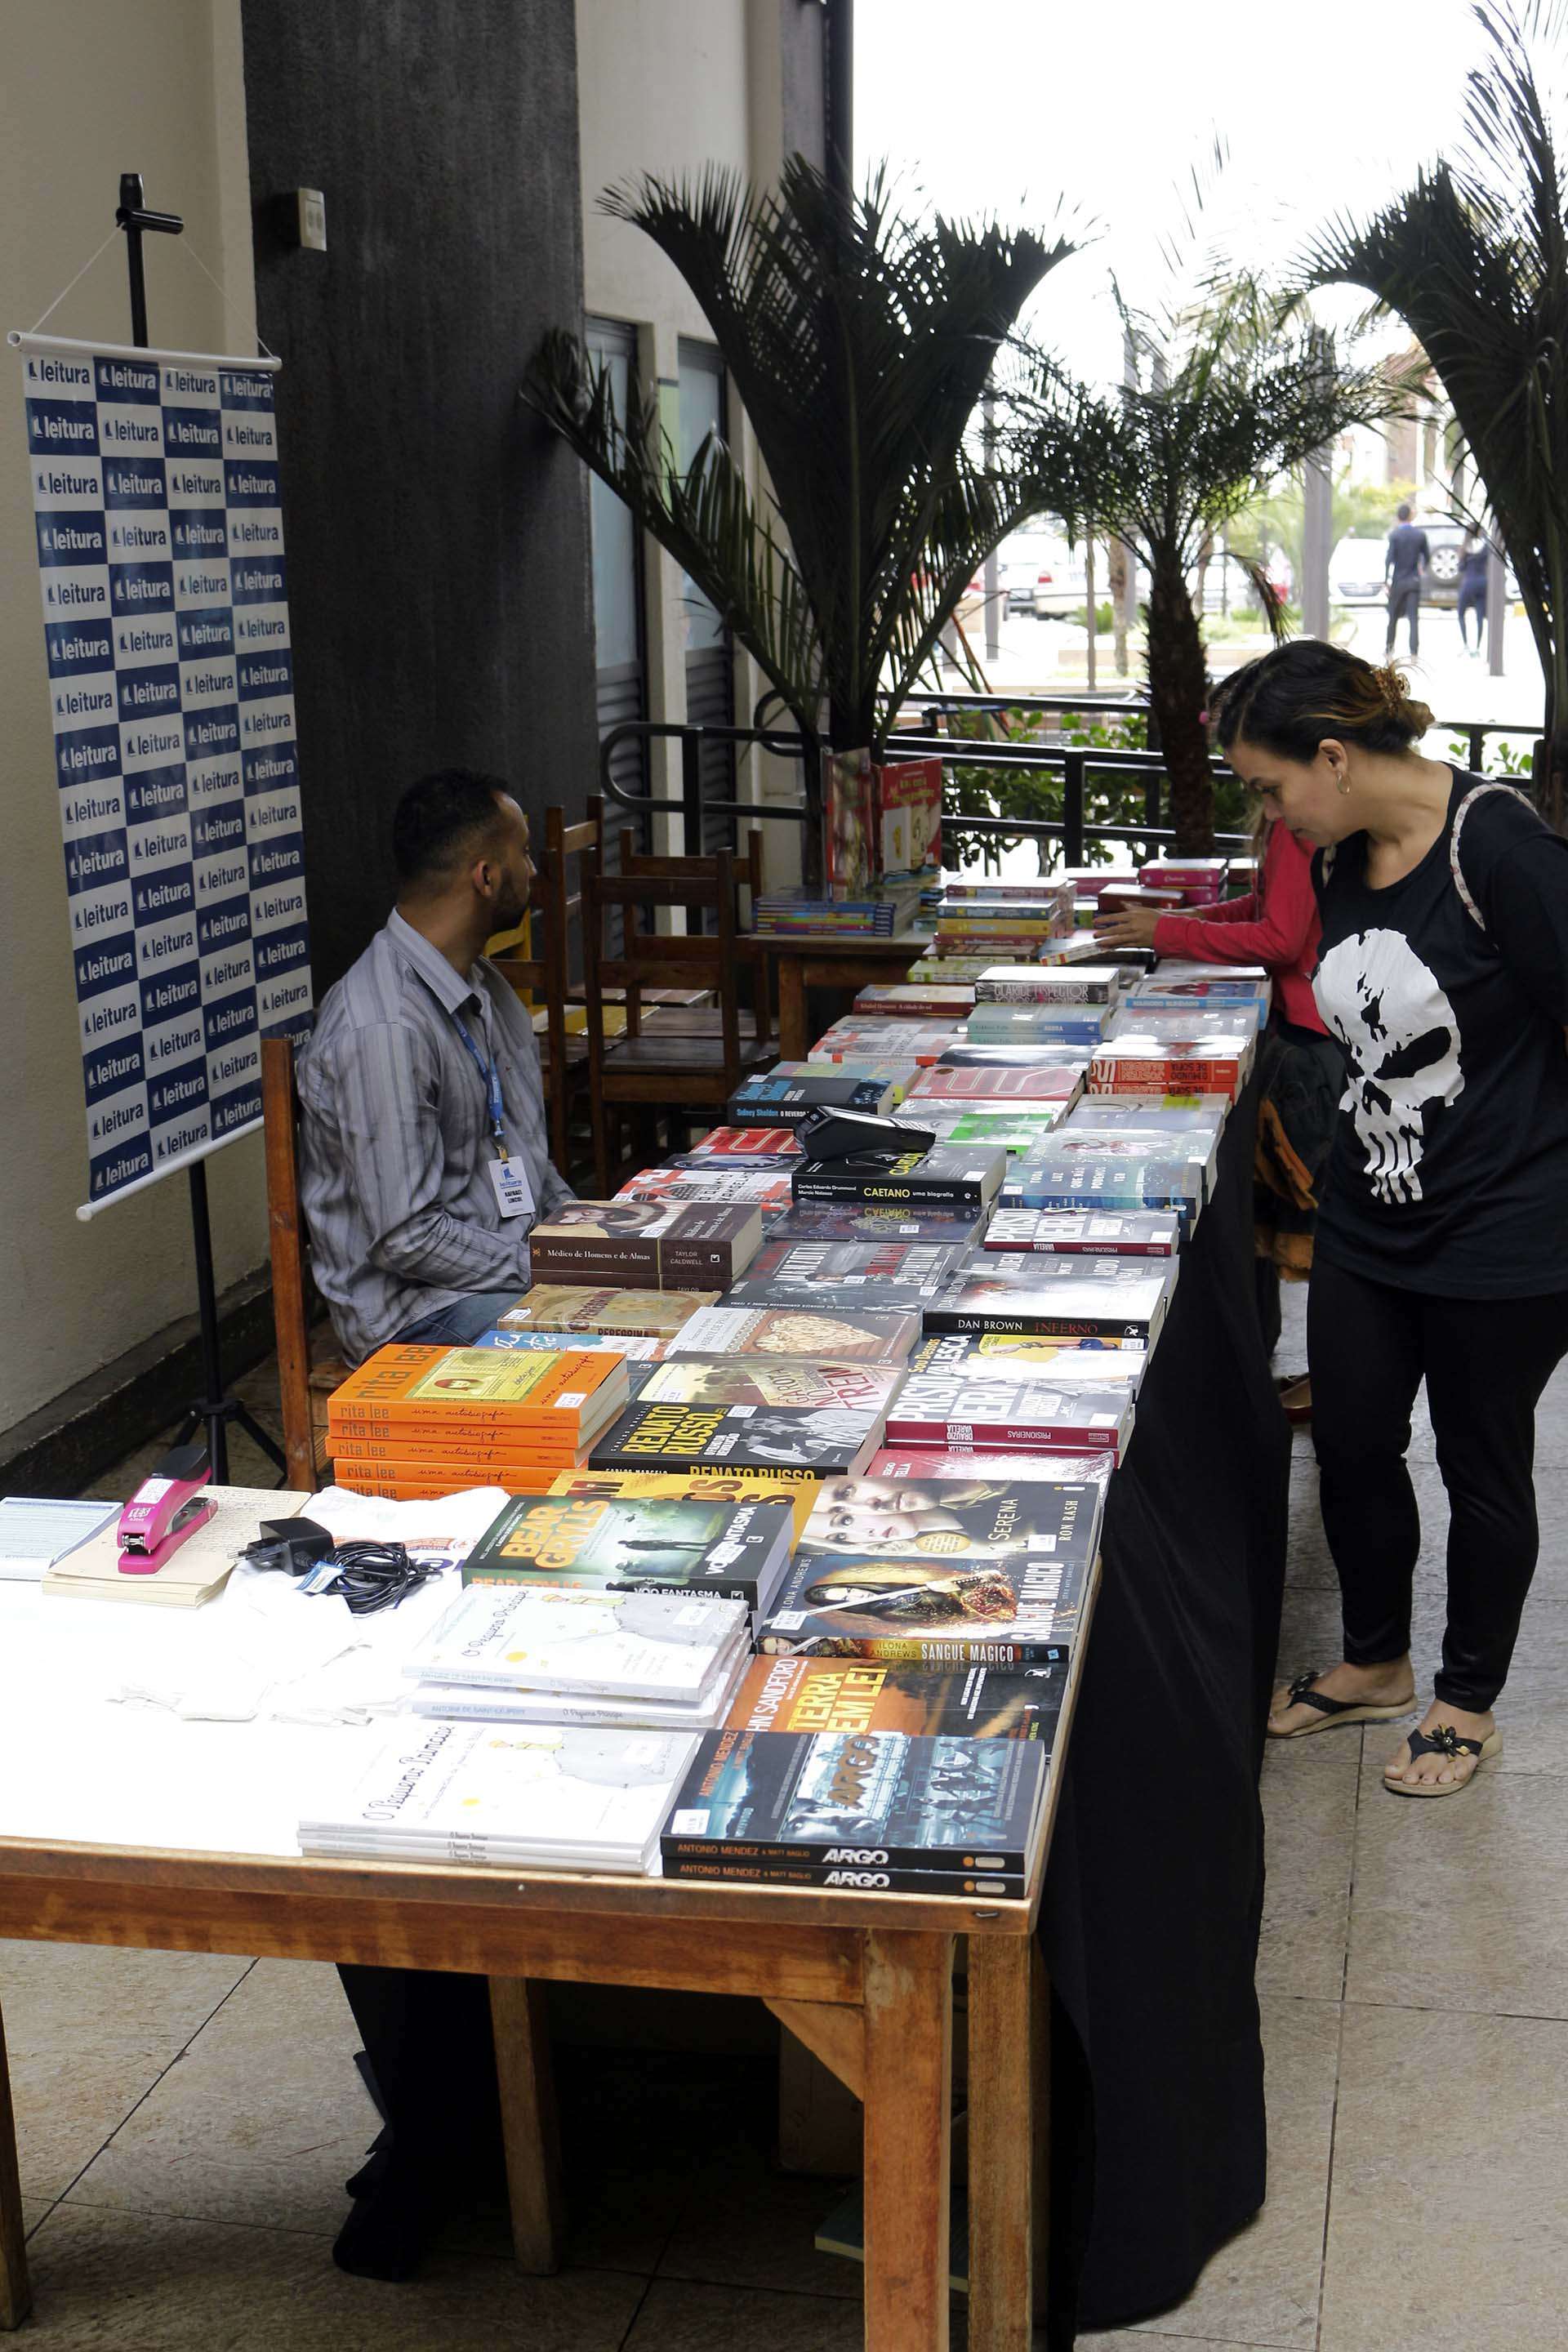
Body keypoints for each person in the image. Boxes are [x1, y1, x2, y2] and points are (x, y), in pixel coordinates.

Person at [1214, 639, 1568, 1794]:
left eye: (1271, 789)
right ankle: (1375, 1663)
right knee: (1356, 1442)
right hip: (1370, 1215)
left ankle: (1467, 1698)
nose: (1272, 817)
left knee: (1482, 1465)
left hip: (1503, 1235)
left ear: (1333, 755)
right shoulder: (1337, 856)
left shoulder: (1502, 851)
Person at [299, 768, 573, 1364]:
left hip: (497, 1275)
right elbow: (406, 1237)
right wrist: (548, 1268)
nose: (533, 872)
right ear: (485, 876)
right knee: (625, 1353)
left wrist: (595, 1246)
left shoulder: (483, 987)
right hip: (418, 1315)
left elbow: (532, 1165)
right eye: (523, 854)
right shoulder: (385, 1028)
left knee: (676, 1303)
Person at [1095, 788, 1343, 1409]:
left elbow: (1282, 940)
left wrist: (1173, 930)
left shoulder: (1296, 821)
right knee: (1320, 1227)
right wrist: (1187, 924)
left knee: (1322, 1230)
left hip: (1310, 1040)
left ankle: (1338, 1383)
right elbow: (1270, 911)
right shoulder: (1304, 817)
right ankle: (1335, 1378)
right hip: (1315, 1030)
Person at [1383, 502, 1429, 658]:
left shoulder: (1394, 535)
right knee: (1413, 618)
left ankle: (1389, 648)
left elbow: (1389, 560)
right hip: (1414, 581)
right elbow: (1427, 557)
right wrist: (1422, 568)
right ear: (1410, 516)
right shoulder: (1420, 535)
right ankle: (1414, 651)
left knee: (1393, 617)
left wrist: (1386, 581)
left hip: (1398, 581)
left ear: (1398, 517)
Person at [1458, 532, 1489, 655]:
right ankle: (1477, 648)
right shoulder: (1485, 547)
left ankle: (1466, 645)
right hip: (1482, 582)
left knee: (1461, 614)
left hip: (1469, 583)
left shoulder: (1466, 547)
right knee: (1480, 616)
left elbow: (1461, 568)